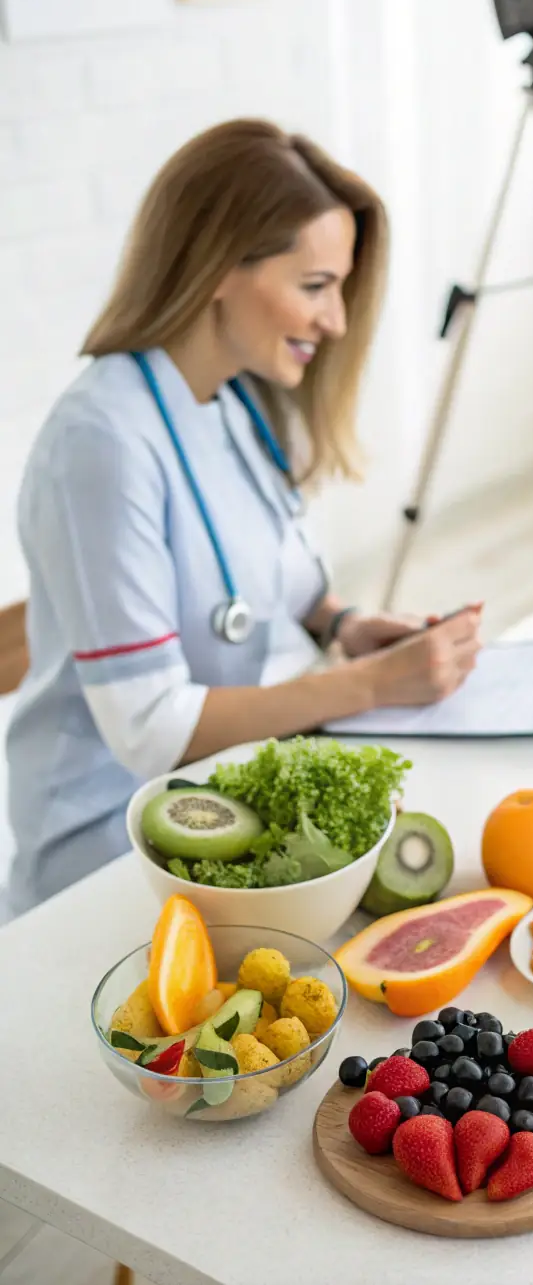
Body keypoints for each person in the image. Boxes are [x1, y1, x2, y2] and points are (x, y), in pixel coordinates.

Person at [3, 118, 483, 917]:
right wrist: (366, 685)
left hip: (211, 795)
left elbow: (283, 583)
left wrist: (345, 624)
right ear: (220, 266)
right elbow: (153, 728)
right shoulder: (102, 442)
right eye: (315, 285)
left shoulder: (226, 397)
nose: (334, 322)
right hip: (103, 842)